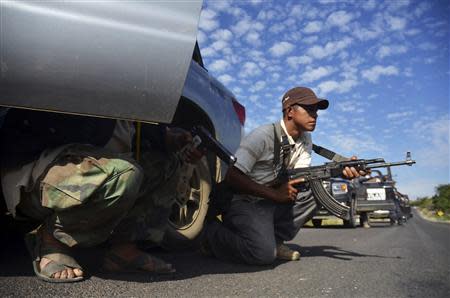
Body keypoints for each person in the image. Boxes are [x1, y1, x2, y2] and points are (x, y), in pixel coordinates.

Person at [0, 108, 202, 282]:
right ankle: (52, 240)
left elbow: (151, 134)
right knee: (124, 174)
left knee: (166, 164)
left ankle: (123, 251)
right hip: (37, 169)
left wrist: (171, 139)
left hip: (92, 169)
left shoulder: (139, 94)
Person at [203, 87, 365, 265]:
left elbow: (302, 177)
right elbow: (232, 177)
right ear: (290, 111)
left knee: (317, 189)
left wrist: (339, 171)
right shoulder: (263, 135)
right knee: (262, 255)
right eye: (309, 109)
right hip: (244, 202)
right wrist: (275, 194)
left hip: (268, 201)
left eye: (316, 111)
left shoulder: (305, 140)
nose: (315, 115)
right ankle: (211, 236)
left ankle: (275, 240)